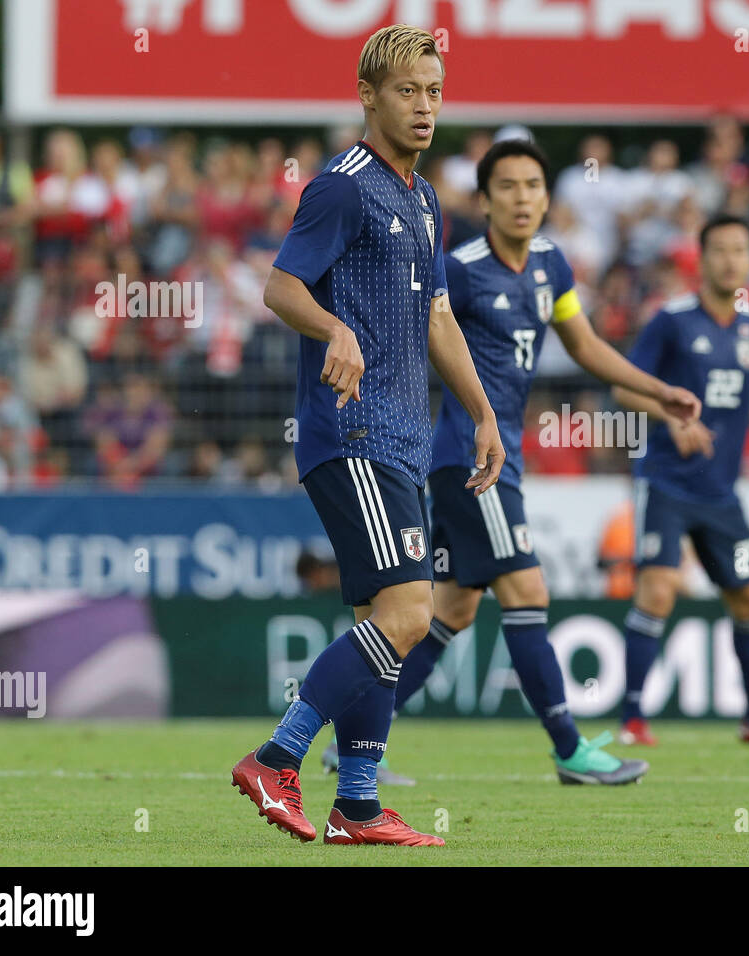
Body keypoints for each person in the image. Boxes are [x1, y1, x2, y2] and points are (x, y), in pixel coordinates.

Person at [324, 138, 700, 784]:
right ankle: (568, 749)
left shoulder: (554, 266)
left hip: (502, 458)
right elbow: (413, 335)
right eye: (507, 187)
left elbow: (582, 345)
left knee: (450, 612)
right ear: (485, 199)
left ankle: (353, 743)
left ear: (548, 196)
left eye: (532, 186)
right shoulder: (462, 270)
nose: (522, 198)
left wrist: (657, 390)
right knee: (527, 589)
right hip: (469, 462)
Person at [230, 24, 505, 848]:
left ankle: (355, 804)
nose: (424, 107)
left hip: (402, 440)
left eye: (434, 91)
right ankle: (277, 758)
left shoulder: (423, 201)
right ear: (368, 97)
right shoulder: (344, 186)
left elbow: (438, 317)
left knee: (377, 618)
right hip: (349, 434)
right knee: (411, 613)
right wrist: (333, 329)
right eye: (408, 91)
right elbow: (281, 289)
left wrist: (484, 411)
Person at [610, 215, 749, 748]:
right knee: (656, 590)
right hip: (667, 484)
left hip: (722, 494)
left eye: (739, 250)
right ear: (701, 259)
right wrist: (672, 416)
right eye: (719, 250)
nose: (729, 260)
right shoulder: (670, 321)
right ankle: (631, 719)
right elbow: (624, 389)